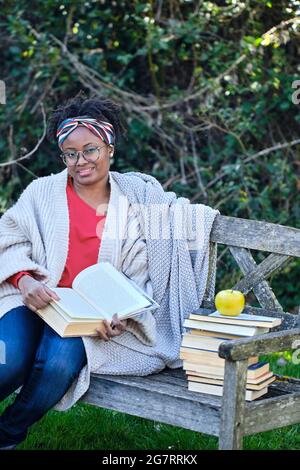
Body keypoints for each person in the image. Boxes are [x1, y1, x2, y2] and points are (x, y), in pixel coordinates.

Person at [0, 93, 219, 449]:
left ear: (109, 147)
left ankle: (7, 434)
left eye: (90, 150)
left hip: (88, 316)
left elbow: (140, 272)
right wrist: (23, 280)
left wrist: (121, 316)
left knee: (55, 366)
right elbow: (8, 237)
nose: (80, 161)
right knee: (7, 360)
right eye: (70, 154)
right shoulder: (42, 193)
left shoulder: (132, 203)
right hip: (37, 302)